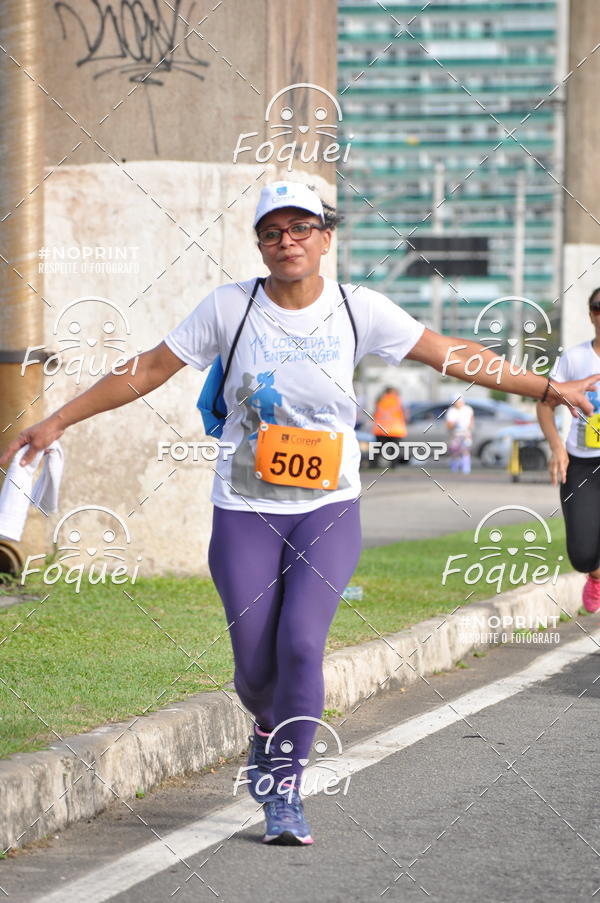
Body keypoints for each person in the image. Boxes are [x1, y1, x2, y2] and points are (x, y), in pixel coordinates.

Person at [1, 180, 597, 847]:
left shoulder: (357, 308)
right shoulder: (231, 307)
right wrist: (54, 420)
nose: (288, 241)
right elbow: (146, 368)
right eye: (273, 231)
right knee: (256, 672)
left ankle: (284, 789)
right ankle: (266, 725)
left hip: (329, 509)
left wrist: (548, 387)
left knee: (304, 645)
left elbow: (453, 353)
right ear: (260, 244)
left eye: (301, 228)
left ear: (325, 237)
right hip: (245, 509)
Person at [536, 287, 600, 613]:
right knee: (583, 554)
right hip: (582, 463)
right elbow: (545, 406)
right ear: (591, 315)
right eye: (599, 308)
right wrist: (557, 447)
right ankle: (596, 575)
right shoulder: (575, 359)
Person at [371, 386, 408, 468]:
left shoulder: (380, 400)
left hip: (381, 430)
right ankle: (393, 466)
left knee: (378, 449)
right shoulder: (399, 401)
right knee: (394, 450)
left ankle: (373, 466)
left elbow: (375, 413)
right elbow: (406, 415)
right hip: (395, 430)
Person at [446, 394, 475, 474]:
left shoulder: (468, 409)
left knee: (466, 450)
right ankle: (454, 468)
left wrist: (469, 428)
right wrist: (455, 424)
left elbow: (472, 420)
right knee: (455, 451)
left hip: (466, 433)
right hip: (456, 434)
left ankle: (466, 468)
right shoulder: (451, 411)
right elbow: (449, 424)